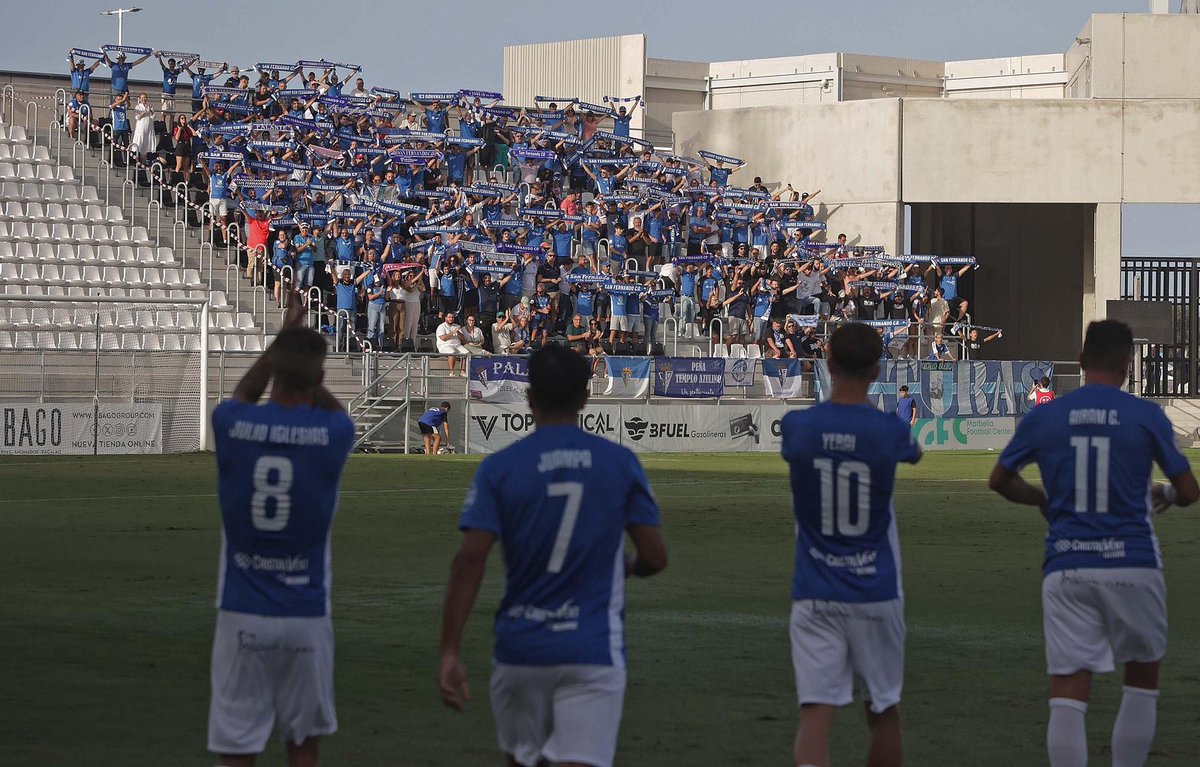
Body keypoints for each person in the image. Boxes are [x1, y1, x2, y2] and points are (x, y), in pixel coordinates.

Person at [437, 344, 668, 767]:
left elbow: (469, 560)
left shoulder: (499, 468)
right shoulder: (619, 462)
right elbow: (654, 556)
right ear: (585, 397)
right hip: (592, 648)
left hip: (521, 648)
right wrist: (627, 568)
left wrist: (450, 649)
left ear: (529, 397)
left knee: (522, 760)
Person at [987, 319, 1200, 767]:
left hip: (1067, 564)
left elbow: (1001, 480)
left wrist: (1042, 498)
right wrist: (1163, 492)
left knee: (1068, 690)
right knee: (1141, 679)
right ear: (1126, 366)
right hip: (1134, 563)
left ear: (1081, 361)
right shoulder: (1145, 414)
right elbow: (1189, 490)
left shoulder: (1046, 415)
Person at [207, 294, 355, 767]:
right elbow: (338, 416)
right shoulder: (333, 435)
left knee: (238, 744)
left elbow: (241, 397)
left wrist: (279, 344)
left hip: (241, 610)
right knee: (304, 743)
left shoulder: (233, 423)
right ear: (319, 379)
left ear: (275, 371)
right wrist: (307, 373)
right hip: (305, 611)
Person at [779, 322, 922, 767]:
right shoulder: (888, 431)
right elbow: (912, 452)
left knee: (815, 716)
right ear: (878, 371)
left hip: (815, 589)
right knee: (883, 712)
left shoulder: (798, 426)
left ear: (828, 363)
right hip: (875, 586)